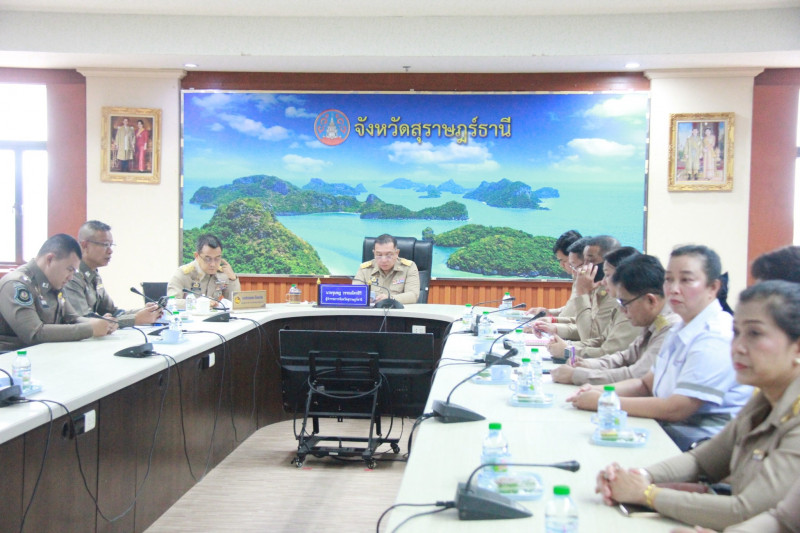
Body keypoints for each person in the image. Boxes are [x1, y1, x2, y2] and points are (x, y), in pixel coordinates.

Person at [596, 280, 800, 531]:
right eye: (737, 333)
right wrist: (638, 477)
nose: (738, 347)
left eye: (755, 334)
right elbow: (703, 461)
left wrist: (647, 494)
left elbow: (746, 510)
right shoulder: (764, 398)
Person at [568, 245, 751, 450]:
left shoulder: (715, 336)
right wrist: (597, 390)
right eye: (669, 279)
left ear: (713, 288)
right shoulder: (681, 327)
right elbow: (645, 385)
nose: (673, 289)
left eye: (686, 280)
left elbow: (677, 408)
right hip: (670, 431)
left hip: (699, 444)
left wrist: (603, 401)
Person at [551, 254, 679, 384]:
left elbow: (637, 375)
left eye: (608, 275)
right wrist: (590, 364)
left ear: (650, 300)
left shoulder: (669, 327)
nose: (603, 281)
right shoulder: (648, 313)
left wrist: (577, 374)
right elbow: (625, 356)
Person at [0, 234, 115, 352]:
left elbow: (72, 318)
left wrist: (100, 323)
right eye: (69, 269)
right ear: (50, 259)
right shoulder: (16, 284)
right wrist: (89, 329)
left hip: (45, 354)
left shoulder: (55, 283)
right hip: (14, 358)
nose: (71, 277)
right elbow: (34, 333)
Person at [547, 246, 642, 358]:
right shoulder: (620, 301)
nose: (604, 281)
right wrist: (567, 346)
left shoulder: (633, 306)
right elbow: (601, 340)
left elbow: (599, 345)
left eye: (608, 275)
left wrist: (569, 351)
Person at [64, 220, 161, 327]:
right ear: (85, 245)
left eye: (111, 245)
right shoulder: (72, 276)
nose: (110, 251)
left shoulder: (94, 275)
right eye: (105, 245)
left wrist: (144, 312)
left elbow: (113, 312)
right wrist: (135, 319)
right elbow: (84, 321)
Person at [533, 235, 621, 343]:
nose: (584, 268)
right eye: (584, 262)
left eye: (590, 261)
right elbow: (584, 323)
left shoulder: (615, 293)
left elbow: (591, 337)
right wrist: (553, 323)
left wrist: (582, 293)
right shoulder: (598, 286)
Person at [168, 234, 240, 308]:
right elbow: (171, 302)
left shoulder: (222, 274)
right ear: (197, 256)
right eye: (208, 259)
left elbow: (236, 303)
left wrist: (233, 279)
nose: (213, 264)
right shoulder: (183, 273)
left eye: (217, 258)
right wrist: (199, 303)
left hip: (215, 315)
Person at [527, 229, 582, 317]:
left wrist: (553, 320)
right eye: (560, 261)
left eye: (564, 260)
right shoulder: (577, 276)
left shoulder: (588, 280)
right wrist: (549, 312)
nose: (561, 265)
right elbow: (571, 308)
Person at [353, 234, 420, 304]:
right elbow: (355, 294)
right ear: (374, 253)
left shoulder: (408, 267)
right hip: (372, 310)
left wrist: (390, 299)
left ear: (397, 253)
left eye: (389, 255)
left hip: (397, 310)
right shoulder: (364, 269)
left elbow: (413, 295)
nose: (384, 260)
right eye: (379, 255)